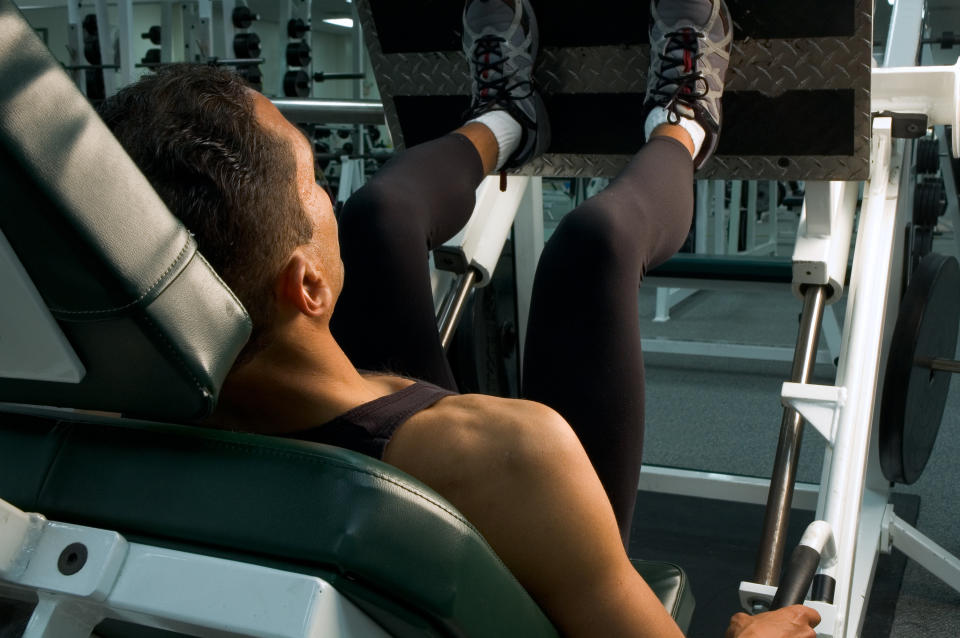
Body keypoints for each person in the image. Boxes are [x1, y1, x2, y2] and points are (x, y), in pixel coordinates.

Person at [97, 0, 821, 635]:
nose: (326, 202)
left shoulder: (112, 430)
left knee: (378, 216)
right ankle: (684, 123)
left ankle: (505, 122)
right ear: (307, 285)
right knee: (593, 245)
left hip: (305, 426)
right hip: (513, 516)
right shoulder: (515, 453)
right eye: (314, 183)